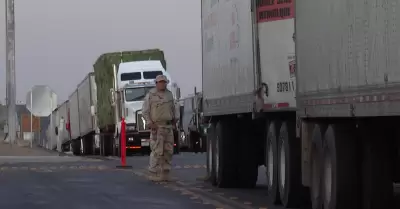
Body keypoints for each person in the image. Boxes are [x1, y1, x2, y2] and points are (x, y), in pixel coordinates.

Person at [142, 75, 177, 181]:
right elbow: (145, 111)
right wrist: (150, 123)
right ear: (156, 83)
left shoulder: (169, 95)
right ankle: (154, 173)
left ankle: (165, 173)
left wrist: (175, 120)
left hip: (168, 126)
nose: (162, 84)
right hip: (157, 127)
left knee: (168, 150)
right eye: (160, 82)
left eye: (164, 82)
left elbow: (174, 109)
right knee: (157, 151)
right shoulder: (151, 95)